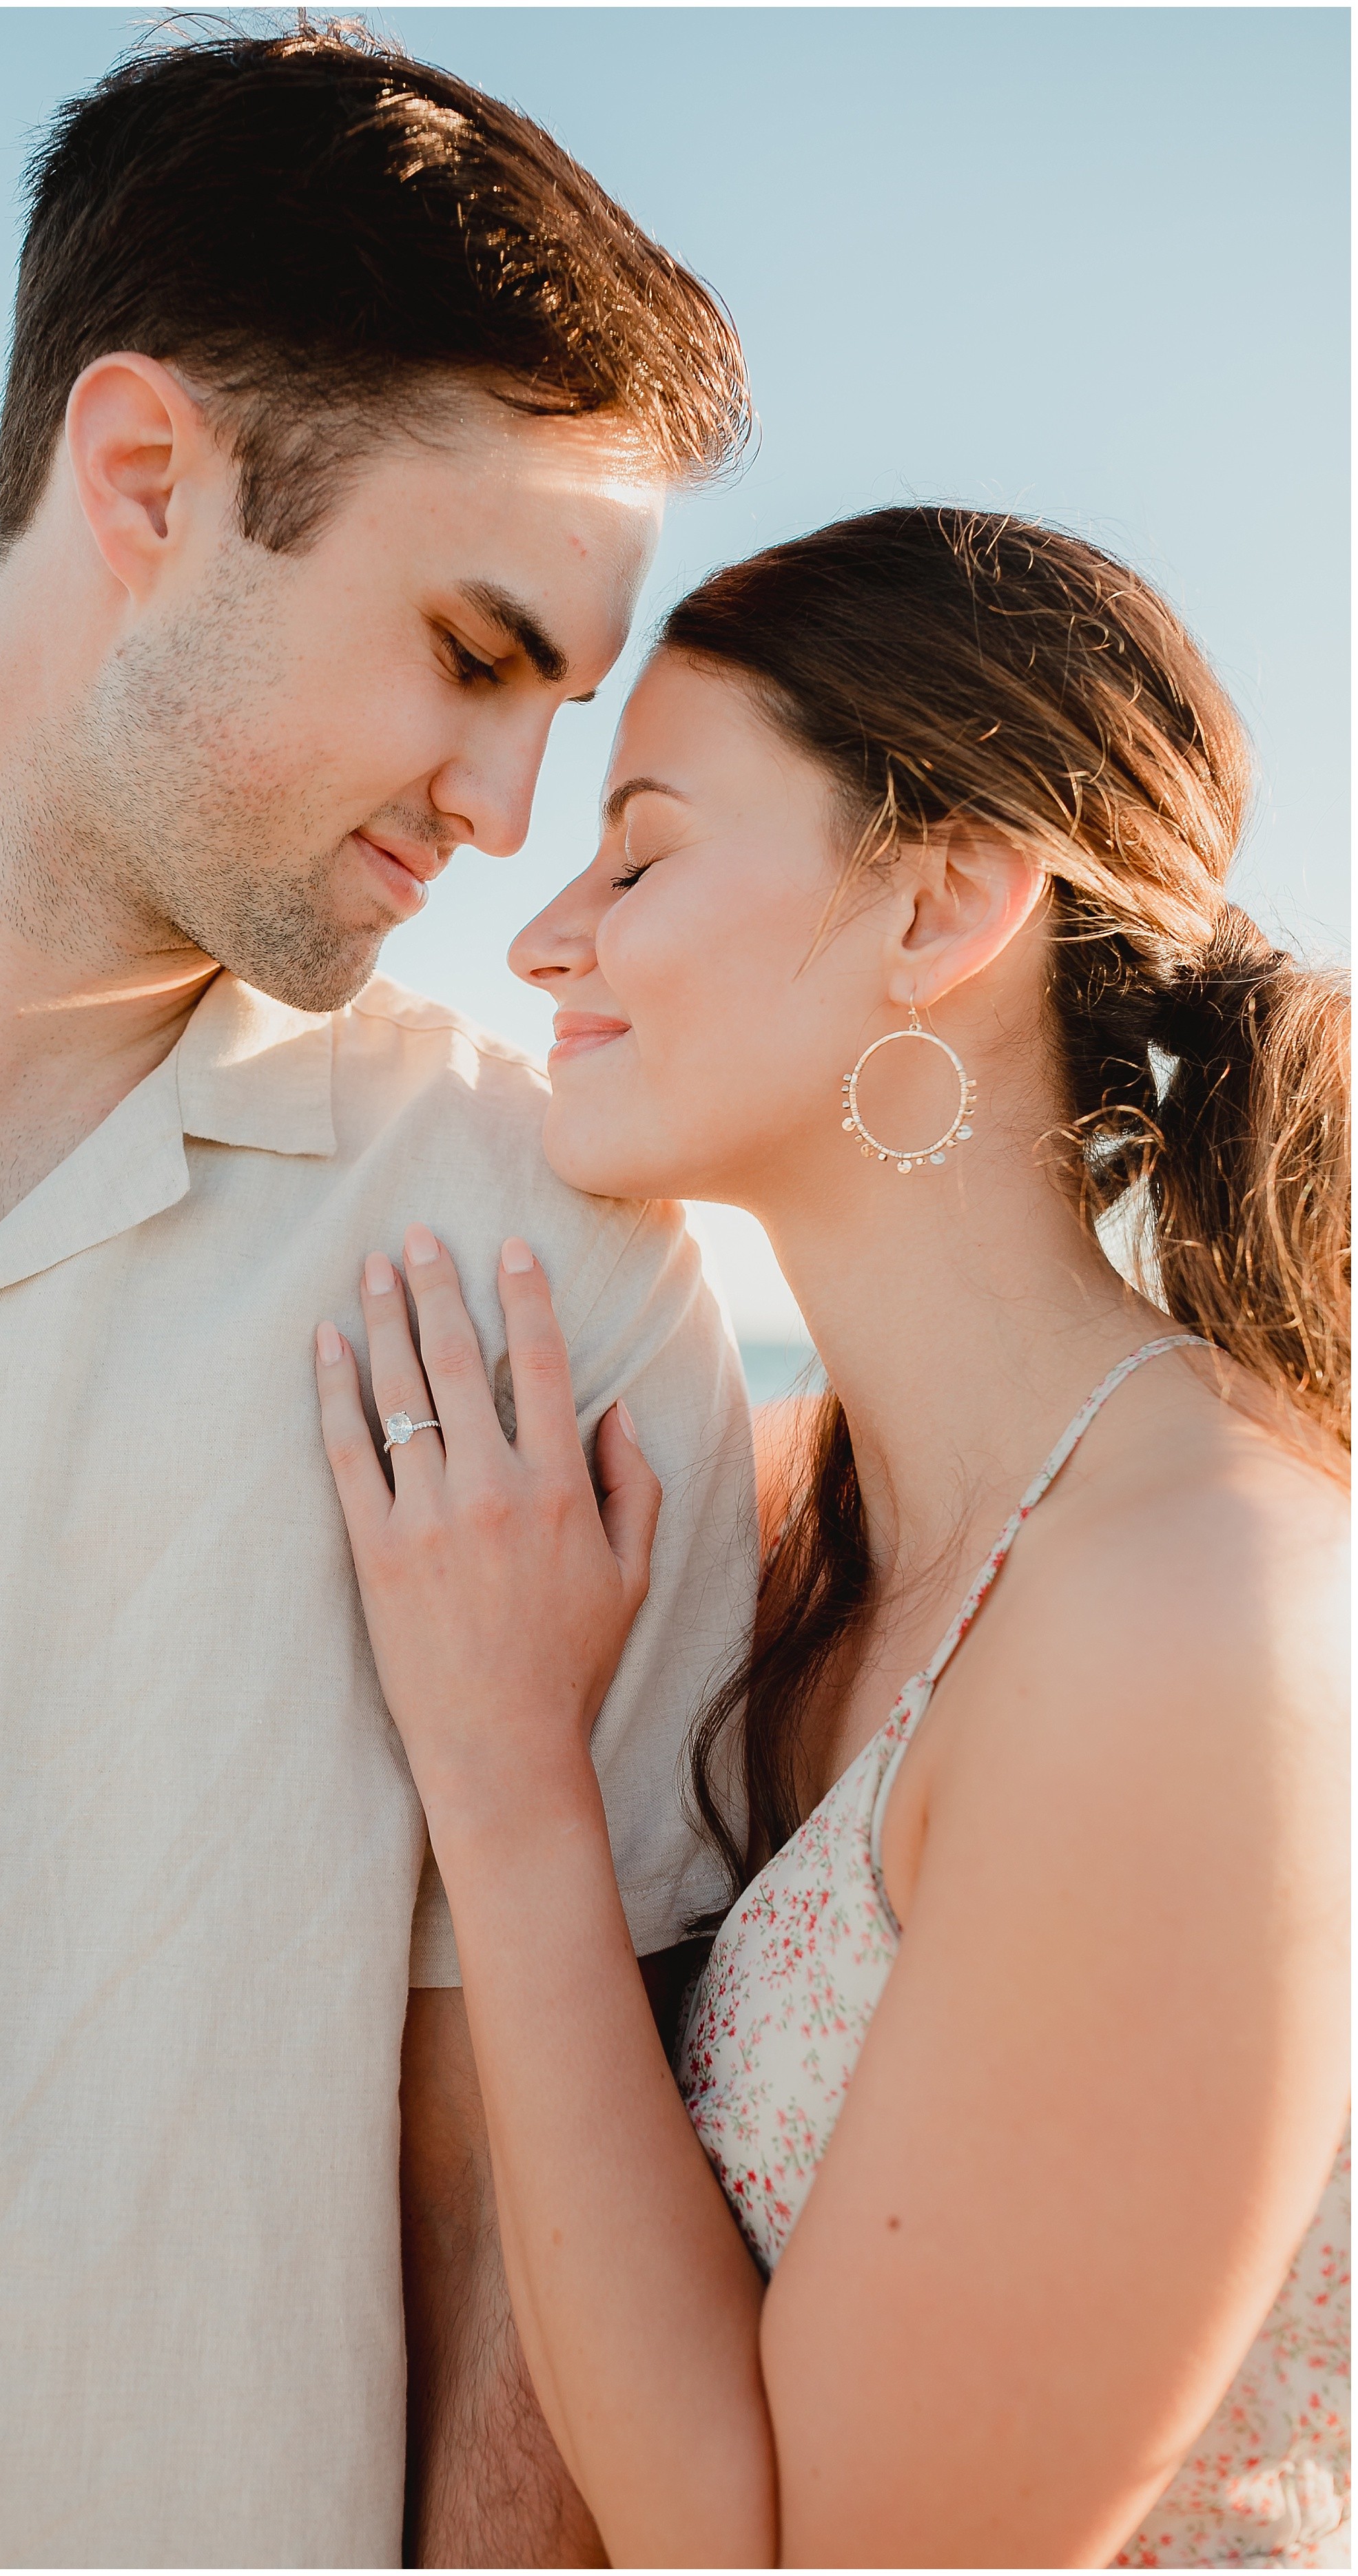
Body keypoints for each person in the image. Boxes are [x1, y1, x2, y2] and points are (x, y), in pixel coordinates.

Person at [0, 25, 759, 2567]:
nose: (508, 818)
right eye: (475, 652)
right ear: (145, 476)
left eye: (560, 718)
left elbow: (534, 2215)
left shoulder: (548, 1250)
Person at [314, 506, 1352, 2568]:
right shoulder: (816, 1532)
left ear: (943, 902)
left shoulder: (1191, 1614)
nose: (540, 937)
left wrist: (512, 1787)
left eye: (640, 849)